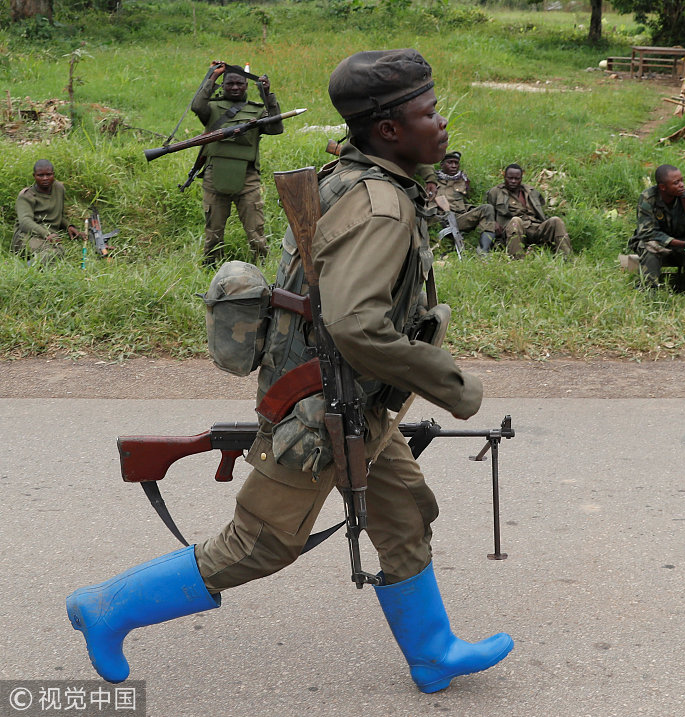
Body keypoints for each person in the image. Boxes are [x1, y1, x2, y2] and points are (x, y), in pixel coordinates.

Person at [67, 49, 513, 695]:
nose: (441, 123)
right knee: (259, 544)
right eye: (429, 112)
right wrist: (452, 384)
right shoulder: (382, 207)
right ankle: (107, 607)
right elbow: (357, 324)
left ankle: (434, 651)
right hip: (322, 407)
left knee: (404, 514)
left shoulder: (349, 175)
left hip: (349, 400)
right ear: (389, 130)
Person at [191, 61, 284, 266]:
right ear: (223, 86)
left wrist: (267, 94)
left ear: (246, 85)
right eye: (230, 83)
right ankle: (210, 266)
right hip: (215, 175)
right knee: (213, 232)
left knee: (255, 231)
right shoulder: (212, 108)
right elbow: (197, 106)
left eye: (239, 84)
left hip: (247, 177)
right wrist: (212, 77)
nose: (235, 87)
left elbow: (276, 128)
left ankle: (262, 267)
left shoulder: (257, 110)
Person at [628, 164, 685, 297]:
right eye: (676, 182)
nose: (682, 185)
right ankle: (649, 294)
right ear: (662, 187)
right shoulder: (648, 198)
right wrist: (683, 243)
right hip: (659, 244)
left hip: (683, 245)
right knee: (649, 247)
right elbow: (647, 233)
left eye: (682, 180)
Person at [486, 164, 571, 258]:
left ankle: (566, 257)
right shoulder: (496, 192)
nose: (513, 181)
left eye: (516, 178)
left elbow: (540, 211)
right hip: (513, 229)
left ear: (521, 178)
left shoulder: (531, 191)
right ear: (504, 177)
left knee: (556, 220)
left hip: (535, 226)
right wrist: (493, 223)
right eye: (510, 178)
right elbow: (488, 211)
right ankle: (517, 259)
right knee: (516, 220)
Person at [12, 159, 83, 265]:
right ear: (34, 176)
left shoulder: (59, 188)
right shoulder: (27, 195)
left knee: (56, 252)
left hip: (47, 237)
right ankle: (28, 269)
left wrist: (68, 226)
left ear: (53, 174)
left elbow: (57, 214)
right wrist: (46, 234)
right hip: (27, 236)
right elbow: (25, 222)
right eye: (40, 175)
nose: (45, 178)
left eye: (48, 174)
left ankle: (34, 264)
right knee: (56, 251)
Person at [425, 151, 497, 254]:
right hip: (437, 220)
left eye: (456, 163)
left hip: (458, 219)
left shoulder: (463, 181)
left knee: (487, 208)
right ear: (442, 165)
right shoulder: (432, 181)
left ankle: (483, 251)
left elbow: (466, 202)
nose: (454, 166)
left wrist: (471, 210)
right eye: (450, 162)